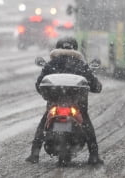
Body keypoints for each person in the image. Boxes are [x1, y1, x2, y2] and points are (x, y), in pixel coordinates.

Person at [25, 36, 104, 165]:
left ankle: (34, 154)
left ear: (57, 48)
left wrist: (48, 94)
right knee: (87, 125)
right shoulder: (81, 65)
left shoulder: (50, 64)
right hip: (78, 106)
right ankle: (94, 155)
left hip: (54, 105)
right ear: (76, 49)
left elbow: (39, 85)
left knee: (43, 124)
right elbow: (96, 87)